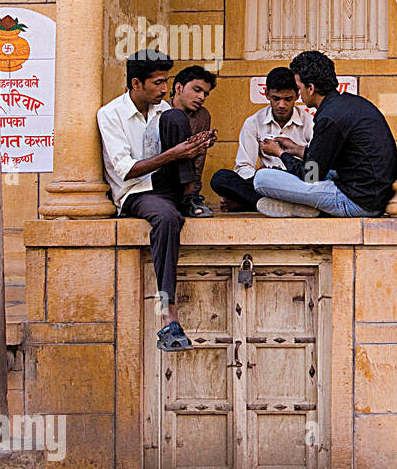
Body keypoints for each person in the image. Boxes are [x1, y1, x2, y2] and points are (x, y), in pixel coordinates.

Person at [98, 51, 216, 350]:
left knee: (176, 116)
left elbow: (175, 153)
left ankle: (190, 197)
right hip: (137, 192)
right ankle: (167, 312)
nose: (165, 89)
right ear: (136, 83)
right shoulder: (110, 115)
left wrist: (194, 147)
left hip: (168, 186)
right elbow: (126, 171)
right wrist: (175, 154)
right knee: (166, 218)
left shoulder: (163, 110)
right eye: (158, 82)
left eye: (166, 81)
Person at [252, 50, 397, 218]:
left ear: (311, 88)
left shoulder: (329, 118)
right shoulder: (349, 104)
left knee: (262, 179)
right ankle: (301, 207)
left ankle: (305, 205)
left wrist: (280, 153)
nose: (299, 95)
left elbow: (311, 175)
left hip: (358, 202)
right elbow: (328, 161)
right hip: (368, 192)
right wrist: (298, 150)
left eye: (299, 88)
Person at [210, 67, 314, 212]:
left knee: (315, 182)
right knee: (220, 178)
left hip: (296, 184)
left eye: (288, 99)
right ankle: (276, 205)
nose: (282, 105)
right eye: (276, 98)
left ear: (297, 96)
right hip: (264, 185)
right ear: (266, 94)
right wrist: (260, 177)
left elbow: (313, 172)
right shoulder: (253, 122)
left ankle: (251, 204)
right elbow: (244, 166)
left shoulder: (310, 122)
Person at [160, 65, 218, 217]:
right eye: (197, 90)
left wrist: (194, 191)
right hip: (160, 177)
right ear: (178, 88)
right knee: (176, 119)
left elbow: (198, 161)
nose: (201, 97)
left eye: (206, 93)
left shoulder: (202, 115)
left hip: (186, 185)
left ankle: (189, 198)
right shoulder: (159, 110)